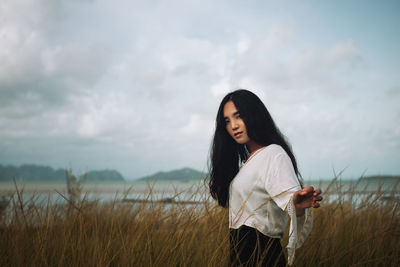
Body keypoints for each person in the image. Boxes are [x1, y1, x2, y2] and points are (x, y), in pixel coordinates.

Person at [208, 89, 322, 266]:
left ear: (253, 115)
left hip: (262, 255)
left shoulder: (273, 153)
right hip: (241, 256)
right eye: (227, 121)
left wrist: (297, 205)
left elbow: (289, 199)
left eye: (238, 116)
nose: (233, 126)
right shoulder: (250, 161)